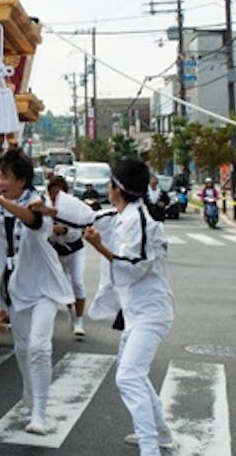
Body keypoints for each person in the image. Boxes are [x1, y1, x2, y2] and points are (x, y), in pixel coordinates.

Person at [0, 150, 73, 435]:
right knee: (23, 349)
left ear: (22, 180)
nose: (1, 182)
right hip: (14, 287)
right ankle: (30, 395)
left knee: (39, 347)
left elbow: (33, 221)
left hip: (44, 287)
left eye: (6, 177)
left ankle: (40, 413)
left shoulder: (37, 202)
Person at [82, 158, 174, 456]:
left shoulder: (141, 220)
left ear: (117, 188)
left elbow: (135, 267)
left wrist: (100, 248)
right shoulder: (121, 214)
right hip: (135, 312)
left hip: (151, 312)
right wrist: (50, 215)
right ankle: (160, 433)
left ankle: (150, 449)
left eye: (110, 183)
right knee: (132, 371)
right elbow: (87, 219)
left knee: (128, 377)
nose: (107, 188)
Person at [36, 175, 92, 338]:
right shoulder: (44, 205)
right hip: (55, 251)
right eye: (53, 193)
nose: (56, 197)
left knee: (78, 283)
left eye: (59, 193)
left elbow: (78, 231)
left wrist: (64, 230)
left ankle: (79, 320)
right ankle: (71, 312)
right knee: (63, 285)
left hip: (75, 249)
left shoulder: (72, 206)